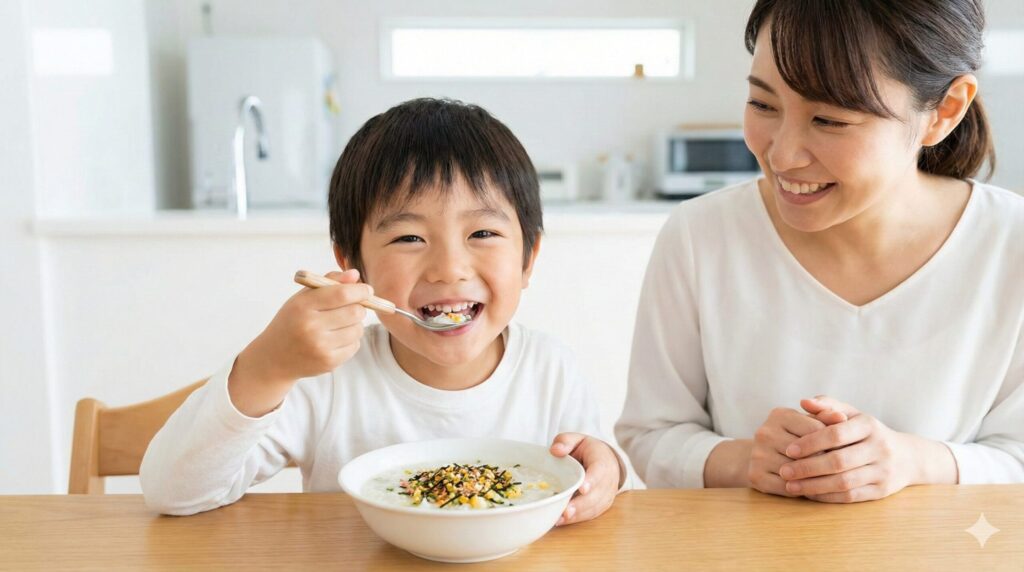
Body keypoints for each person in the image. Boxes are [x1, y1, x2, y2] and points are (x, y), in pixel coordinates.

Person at [142, 98, 628, 524]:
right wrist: (269, 364)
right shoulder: (326, 380)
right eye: (408, 238)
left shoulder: (550, 368)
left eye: (482, 233)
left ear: (529, 259)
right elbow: (175, 493)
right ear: (351, 264)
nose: (449, 268)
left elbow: (598, 467)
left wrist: (606, 468)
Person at [616, 0, 1024, 502]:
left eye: (829, 120)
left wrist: (914, 461)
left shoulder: (1011, 244)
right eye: (763, 105)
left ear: (945, 111)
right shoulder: (702, 234)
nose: (782, 155)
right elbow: (651, 433)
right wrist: (747, 461)